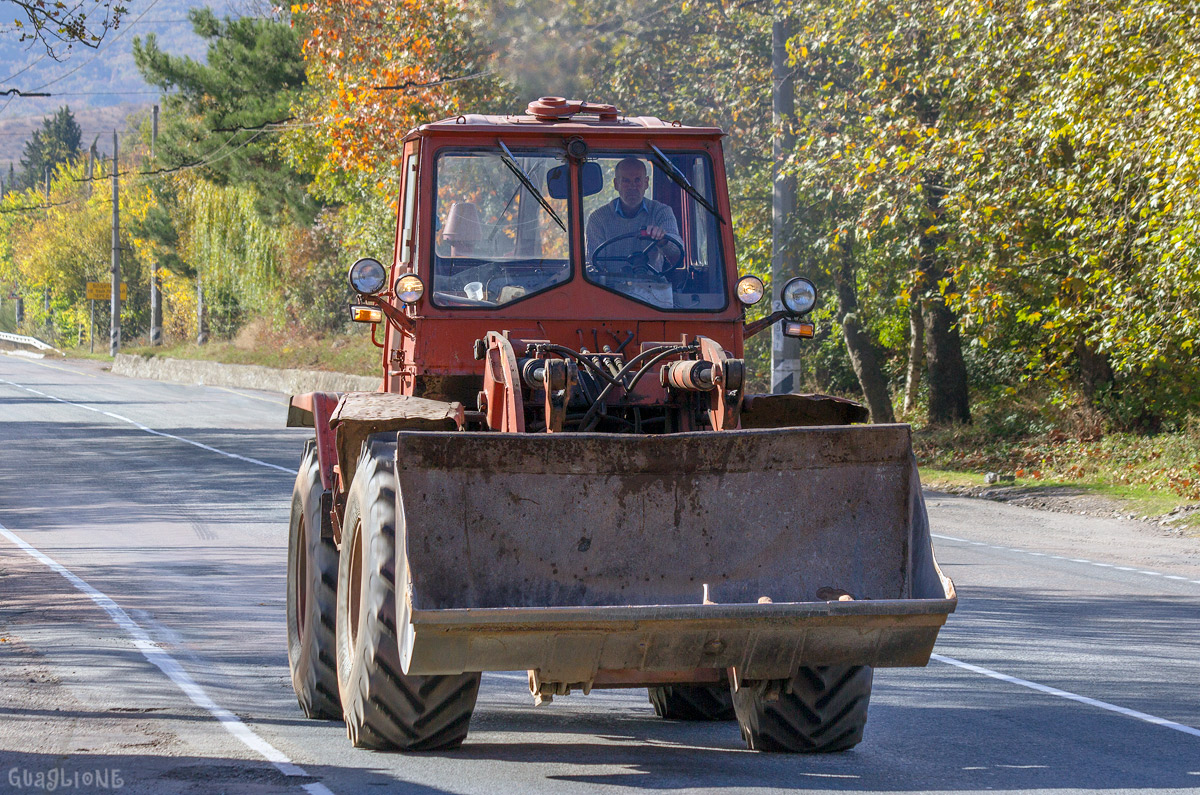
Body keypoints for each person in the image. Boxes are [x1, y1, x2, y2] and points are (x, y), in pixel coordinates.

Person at [586, 157, 682, 272]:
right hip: (610, 286)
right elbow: (593, 263)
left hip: (652, 286)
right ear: (616, 184)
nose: (632, 186)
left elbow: (678, 252)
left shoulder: (661, 212)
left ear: (646, 183)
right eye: (626, 181)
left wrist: (664, 240)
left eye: (637, 180)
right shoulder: (598, 218)